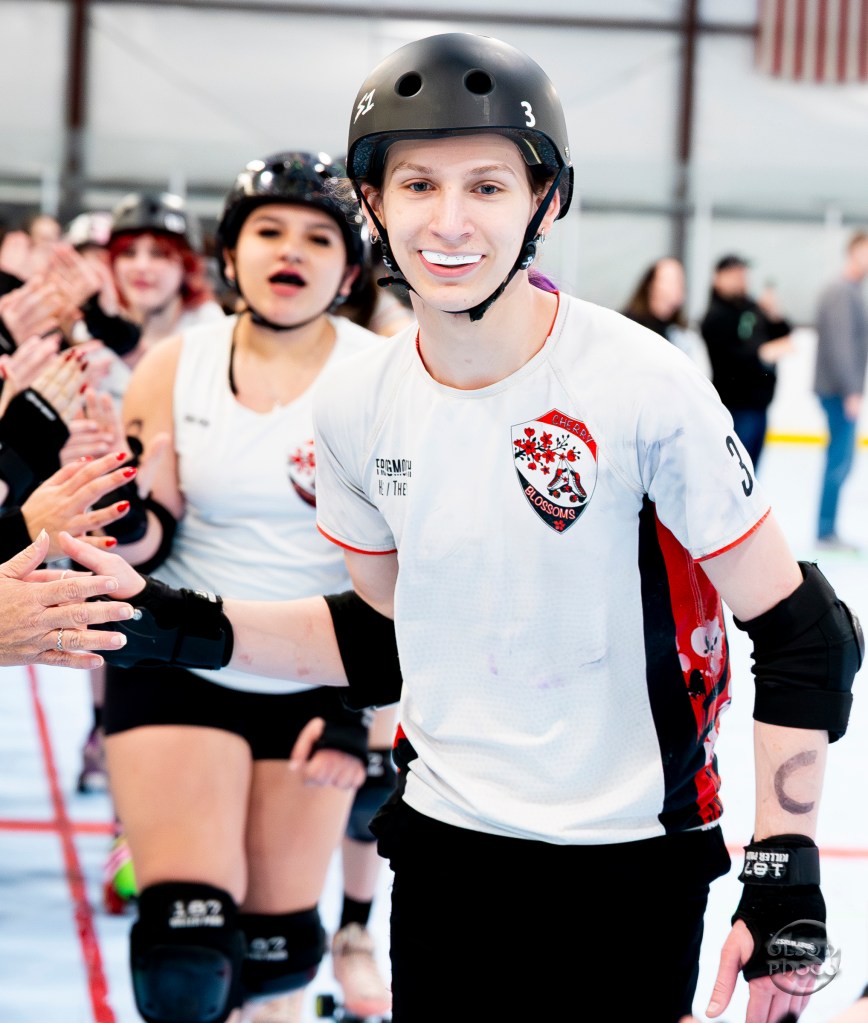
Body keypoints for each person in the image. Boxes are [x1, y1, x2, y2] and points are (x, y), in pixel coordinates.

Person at [65, 31, 863, 1023]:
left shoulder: (643, 385)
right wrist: (165, 622)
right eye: (417, 186)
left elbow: (804, 632)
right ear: (374, 203)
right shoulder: (357, 406)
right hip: (443, 850)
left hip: (631, 862)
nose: (448, 223)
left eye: (486, 186)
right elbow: (380, 634)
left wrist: (784, 874)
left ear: (546, 201)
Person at [96, 152, 384, 1023]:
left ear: (350, 272)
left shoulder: (386, 377)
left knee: (276, 957)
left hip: (316, 674)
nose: (290, 250)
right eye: (269, 231)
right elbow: (155, 531)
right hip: (178, 659)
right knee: (186, 963)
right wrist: (115, 507)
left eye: (317, 238)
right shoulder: (174, 364)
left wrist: (364, 714)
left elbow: (409, 569)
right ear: (229, 255)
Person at [701, 255, 794, 471]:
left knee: (751, 473)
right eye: (734, 274)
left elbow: (782, 332)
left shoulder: (750, 307)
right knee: (735, 472)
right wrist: (762, 353)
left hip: (759, 403)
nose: (741, 279)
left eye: (743, 274)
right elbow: (728, 357)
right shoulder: (716, 315)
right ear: (718, 278)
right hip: (736, 405)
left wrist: (773, 313)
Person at [813, 230, 868, 552]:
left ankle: (828, 527)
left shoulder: (852, 291)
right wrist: (851, 390)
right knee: (839, 460)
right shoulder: (840, 291)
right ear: (853, 252)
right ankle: (826, 529)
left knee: (844, 460)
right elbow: (840, 344)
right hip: (838, 391)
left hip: (842, 390)